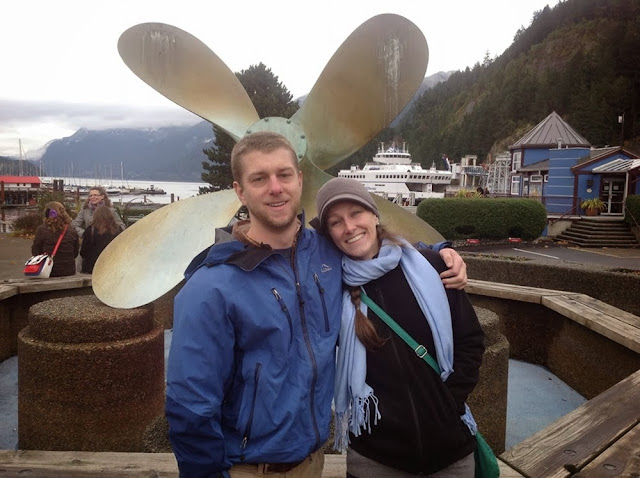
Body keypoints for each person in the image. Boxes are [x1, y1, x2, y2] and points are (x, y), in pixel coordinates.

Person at [165, 132, 468, 478]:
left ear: (300, 180)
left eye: (284, 174)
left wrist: (441, 253)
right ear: (240, 191)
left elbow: (379, 248)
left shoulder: (327, 253)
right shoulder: (210, 287)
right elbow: (190, 407)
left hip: (313, 462)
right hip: (247, 468)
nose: (275, 188)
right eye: (259, 178)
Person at [315, 177, 485, 478]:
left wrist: (449, 402)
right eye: (336, 222)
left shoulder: (432, 266)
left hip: (450, 450)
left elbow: (470, 339)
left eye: (356, 213)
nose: (350, 227)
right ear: (328, 234)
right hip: (375, 458)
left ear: (374, 215)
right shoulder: (332, 289)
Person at [31, 201, 79, 277]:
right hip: (69, 270)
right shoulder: (72, 229)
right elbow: (75, 252)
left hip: (48, 270)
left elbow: (35, 251)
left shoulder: (42, 229)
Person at [79, 205, 122, 273]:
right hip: (112, 266)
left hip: (92, 267)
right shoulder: (118, 230)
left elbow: (83, 252)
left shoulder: (90, 230)